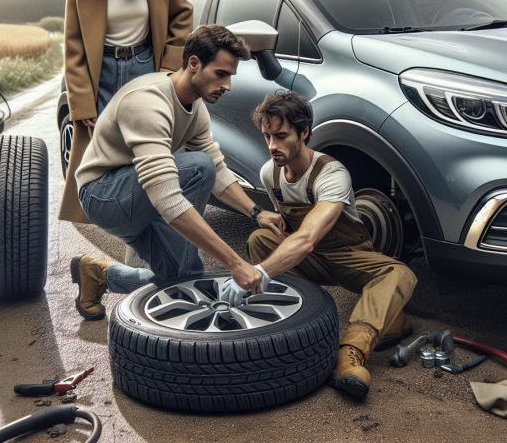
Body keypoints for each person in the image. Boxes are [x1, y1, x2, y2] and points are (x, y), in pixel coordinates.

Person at [70, 24, 283, 320]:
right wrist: (236, 263)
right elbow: (167, 197)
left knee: (183, 278)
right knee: (197, 166)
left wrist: (255, 213)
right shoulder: (148, 102)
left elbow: (219, 170)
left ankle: (101, 275)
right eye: (221, 74)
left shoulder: (195, 108)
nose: (228, 86)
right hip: (104, 195)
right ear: (194, 63)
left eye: (231, 76)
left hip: (137, 195)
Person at [241, 91, 417, 401]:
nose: (272, 146)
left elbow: (307, 237)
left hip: (349, 256)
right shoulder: (270, 174)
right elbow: (291, 232)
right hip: (309, 259)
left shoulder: (332, 174)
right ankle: (284, 328)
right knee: (260, 240)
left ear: (305, 131)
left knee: (397, 274)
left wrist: (260, 272)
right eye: (267, 136)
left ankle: (350, 353)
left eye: (281, 136)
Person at [59, 0, 193, 225]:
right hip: (101, 73)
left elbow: (182, 15)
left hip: (145, 68)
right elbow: (73, 45)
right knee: (105, 160)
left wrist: (167, 71)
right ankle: (120, 225)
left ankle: (154, 222)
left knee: (151, 151)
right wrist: (83, 103)